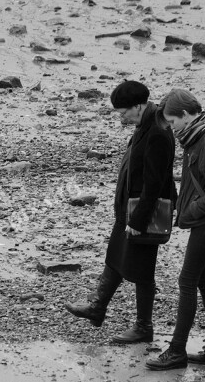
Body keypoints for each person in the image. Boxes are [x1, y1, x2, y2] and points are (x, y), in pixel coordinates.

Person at [65, 81, 177, 344]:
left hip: (143, 212)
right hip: (129, 209)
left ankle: (143, 327)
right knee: (115, 255)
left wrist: (138, 221)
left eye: (123, 112)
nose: (122, 117)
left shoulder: (158, 132)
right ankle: (97, 306)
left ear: (138, 106)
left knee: (143, 270)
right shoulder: (145, 123)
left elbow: (155, 183)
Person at [146, 89, 205, 370]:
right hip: (203, 220)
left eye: (172, 122)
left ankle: (177, 351)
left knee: (187, 282)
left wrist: (190, 213)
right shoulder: (196, 136)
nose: (172, 128)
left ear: (185, 115)